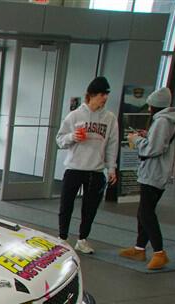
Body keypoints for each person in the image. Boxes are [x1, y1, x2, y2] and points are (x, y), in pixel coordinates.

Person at [55, 76, 120, 254]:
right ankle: (62, 238)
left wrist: (111, 167)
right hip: (74, 168)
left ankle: (82, 239)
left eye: (106, 95)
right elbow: (60, 140)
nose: (104, 98)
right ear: (91, 95)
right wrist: (72, 137)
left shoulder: (110, 118)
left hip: (96, 170)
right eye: (101, 94)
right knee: (66, 205)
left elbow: (112, 144)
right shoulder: (75, 115)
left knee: (90, 208)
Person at [118, 87, 175, 270]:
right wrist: (147, 136)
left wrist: (136, 140)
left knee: (146, 213)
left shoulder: (162, 122)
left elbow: (153, 149)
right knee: (144, 211)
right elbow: (159, 143)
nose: (149, 108)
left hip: (154, 173)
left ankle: (159, 252)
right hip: (159, 172)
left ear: (155, 106)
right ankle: (139, 248)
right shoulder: (170, 120)